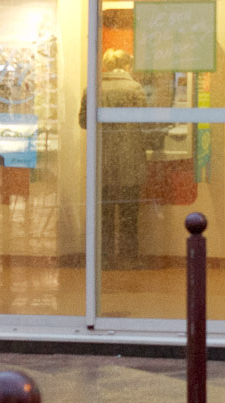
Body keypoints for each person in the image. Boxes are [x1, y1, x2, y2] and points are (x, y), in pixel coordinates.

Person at [78, 49, 156, 270]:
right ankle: (129, 258)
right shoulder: (135, 88)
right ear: (127, 65)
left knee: (104, 214)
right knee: (129, 214)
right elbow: (145, 124)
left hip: (102, 161)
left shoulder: (92, 88)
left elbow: (84, 122)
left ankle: (104, 258)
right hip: (130, 159)